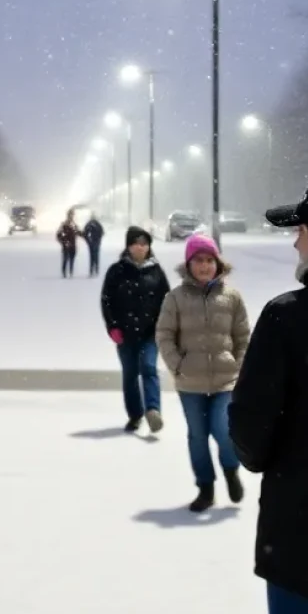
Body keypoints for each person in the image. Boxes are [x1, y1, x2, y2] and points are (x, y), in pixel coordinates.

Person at [229, 170, 308, 614]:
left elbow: (250, 432)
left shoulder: (288, 317)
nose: (296, 239)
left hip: (304, 535)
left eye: (302, 228)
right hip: (305, 532)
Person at [155, 234, 250, 512]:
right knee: (197, 436)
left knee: (224, 432)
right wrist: (178, 365)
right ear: (189, 263)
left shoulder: (231, 297)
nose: (205, 266)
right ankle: (205, 488)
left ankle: (231, 471)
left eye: (210, 260)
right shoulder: (175, 298)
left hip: (225, 381)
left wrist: (238, 364)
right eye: (199, 260)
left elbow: (243, 336)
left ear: (217, 263)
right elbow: (164, 335)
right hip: (190, 383)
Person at [101, 226, 170, 433]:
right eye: (136, 243)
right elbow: (107, 301)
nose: (140, 247)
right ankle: (135, 414)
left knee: (149, 368)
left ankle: (153, 410)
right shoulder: (117, 271)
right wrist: (113, 326)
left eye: (144, 243)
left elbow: (166, 300)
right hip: (125, 332)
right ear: (129, 246)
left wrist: (163, 325)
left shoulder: (156, 271)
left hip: (151, 332)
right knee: (130, 374)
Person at [56, 208, 82, 278]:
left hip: (73, 246)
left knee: (72, 260)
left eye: (72, 215)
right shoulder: (64, 224)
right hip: (66, 246)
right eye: (70, 214)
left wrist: (82, 233)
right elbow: (58, 235)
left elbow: (79, 233)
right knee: (65, 259)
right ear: (68, 215)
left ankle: (71, 272)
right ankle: (64, 273)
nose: (72, 216)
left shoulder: (74, 225)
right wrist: (64, 242)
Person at [83, 213, 105, 277]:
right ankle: (95, 270)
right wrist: (98, 239)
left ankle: (92, 270)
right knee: (95, 256)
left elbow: (85, 233)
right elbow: (102, 232)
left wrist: (88, 240)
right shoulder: (97, 224)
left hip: (93, 242)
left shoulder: (90, 224)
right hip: (95, 243)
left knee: (92, 256)